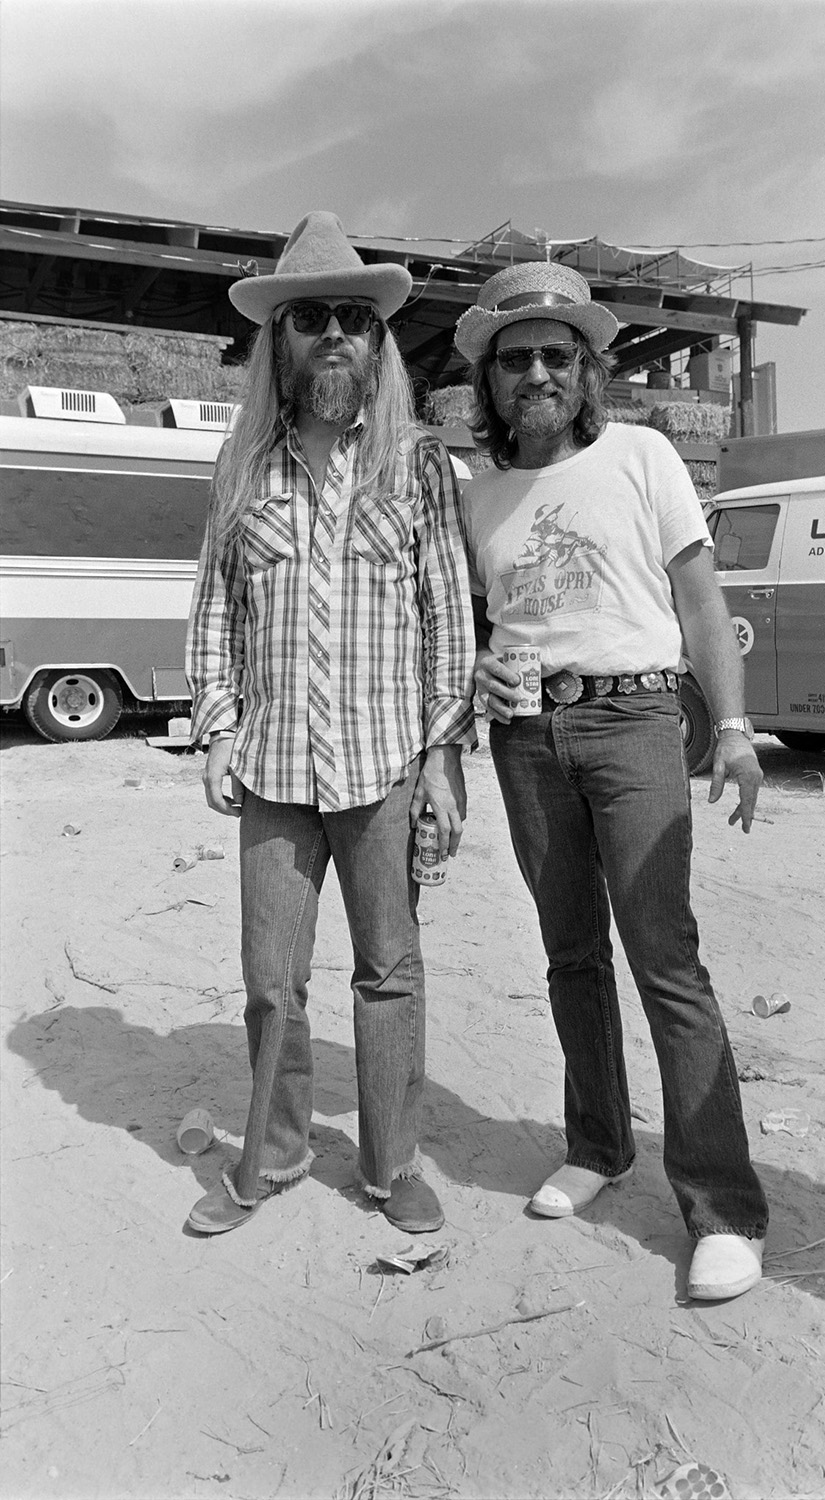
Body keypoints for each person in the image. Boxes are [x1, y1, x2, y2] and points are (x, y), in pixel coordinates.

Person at [455, 262, 769, 1300]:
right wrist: (477, 664)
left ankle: (722, 1206)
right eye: (516, 359)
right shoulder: (480, 496)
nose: (537, 372)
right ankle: (597, 1145)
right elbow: (474, 626)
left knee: (663, 954)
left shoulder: (640, 454)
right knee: (569, 954)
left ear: (586, 370)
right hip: (527, 736)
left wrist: (730, 728)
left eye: (556, 354)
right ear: (490, 382)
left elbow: (698, 594)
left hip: (635, 715)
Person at [185, 211, 476, 1236]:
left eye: (357, 317)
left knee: (389, 971)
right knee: (272, 980)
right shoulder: (242, 471)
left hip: (384, 765)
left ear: (378, 340)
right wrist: (216, 726)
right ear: (280, 341)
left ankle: (395, 1165)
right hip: (271, 767)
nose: (338, 335)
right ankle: (273, 1156)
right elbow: (215, 607)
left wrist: (444, 758)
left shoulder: (419, 468)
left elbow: (448, 618)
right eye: (312, 318)